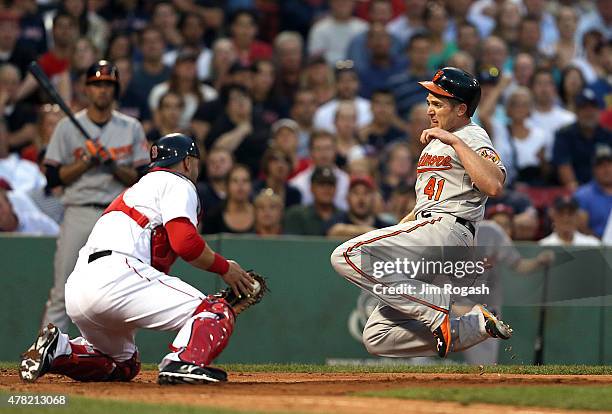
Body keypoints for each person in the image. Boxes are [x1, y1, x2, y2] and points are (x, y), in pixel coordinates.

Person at [19, 133, 256, 385]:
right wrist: (225, 268)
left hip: (79, 288)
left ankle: (59, 351)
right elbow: (185, 242)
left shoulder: (139, 189)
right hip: (118, 274)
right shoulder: (176, 182)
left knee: (123, 365)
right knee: (215, 311)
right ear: (187, 162)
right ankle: (184, 363)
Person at [331, 67, 513, 360]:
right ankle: (475, 326)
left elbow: (493, 184)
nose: (429, 109)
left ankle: (433, 305)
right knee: (378, 337)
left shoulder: (470, 134)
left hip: (447, 230)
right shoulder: (437, 141)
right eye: (429, 101)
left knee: (346, 256)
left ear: (461, 108)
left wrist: (455, 141)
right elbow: (424, 205)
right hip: (430, 235)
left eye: (438, 103)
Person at [40, 60, 149, 332]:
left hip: (118, 216)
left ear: (116, 91)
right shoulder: (67, 127)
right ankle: (44, 352)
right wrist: (87, 161)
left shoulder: (131, 127)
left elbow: (142, 176)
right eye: (97, 84)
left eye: (108, 85)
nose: (102, 90)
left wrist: (112, 164)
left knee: (120, 292)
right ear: (86, 89)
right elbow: (52, 177)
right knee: (63, 289)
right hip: (79, 210)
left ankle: (119, 357)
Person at [553, 88, 612, 190]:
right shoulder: (564, 135)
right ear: (576, 111)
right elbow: (563, 167)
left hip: (605, 190)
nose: (589, 112)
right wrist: (581, 193)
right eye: (584, 108)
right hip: (575, 191)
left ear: (599, 110)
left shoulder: (608, 135)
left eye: (593, 107)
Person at [289, 130, 350, 210]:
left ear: (335, 151)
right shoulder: (297, 184)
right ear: (311, 152)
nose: (323, 154)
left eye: (328, 148)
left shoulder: (347, 181)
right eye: (318, 148)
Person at [327, 175, 393, 239]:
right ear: (347, 198)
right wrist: (370, 231)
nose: (361, 199)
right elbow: (334, 231)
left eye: (366, 193)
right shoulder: (336, 220)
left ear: (374, 198)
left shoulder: (385, 226)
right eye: (356, 193)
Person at [284, 166, 342, 236]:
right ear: (312, 188)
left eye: (330, 184)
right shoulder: (297, 215)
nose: (326, 188)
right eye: (321, 184)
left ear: (336, 188)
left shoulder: (344, 216)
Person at [307, 0, 368, 66]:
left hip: (358, 72)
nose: (342, 4)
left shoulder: (363, 28)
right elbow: (316, 58)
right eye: (338, 1)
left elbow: (366, 57)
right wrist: (344, 65)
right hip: (329, 72)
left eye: (346, 1)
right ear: (331, 3)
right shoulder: (319, 28)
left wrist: (347, 66)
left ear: (354, 3)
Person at [201, 164, 255, 235]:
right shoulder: (213, 216)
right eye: (235, 181)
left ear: (251, 186)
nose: (240, 185)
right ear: (227, 186)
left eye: (245, 181)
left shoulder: (259, 214)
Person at [574, 144, 612, 238]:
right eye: (601, 166)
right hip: (595, 248)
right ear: (594, 169)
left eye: (609, 165)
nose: (606, 170)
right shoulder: (582, 195)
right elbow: (581, 229)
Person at [197, 148, 233, 213]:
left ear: (232, 164)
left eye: (222, 161)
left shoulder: (242, 191)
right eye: (212, 162)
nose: (217, 165)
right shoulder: (199, 192)